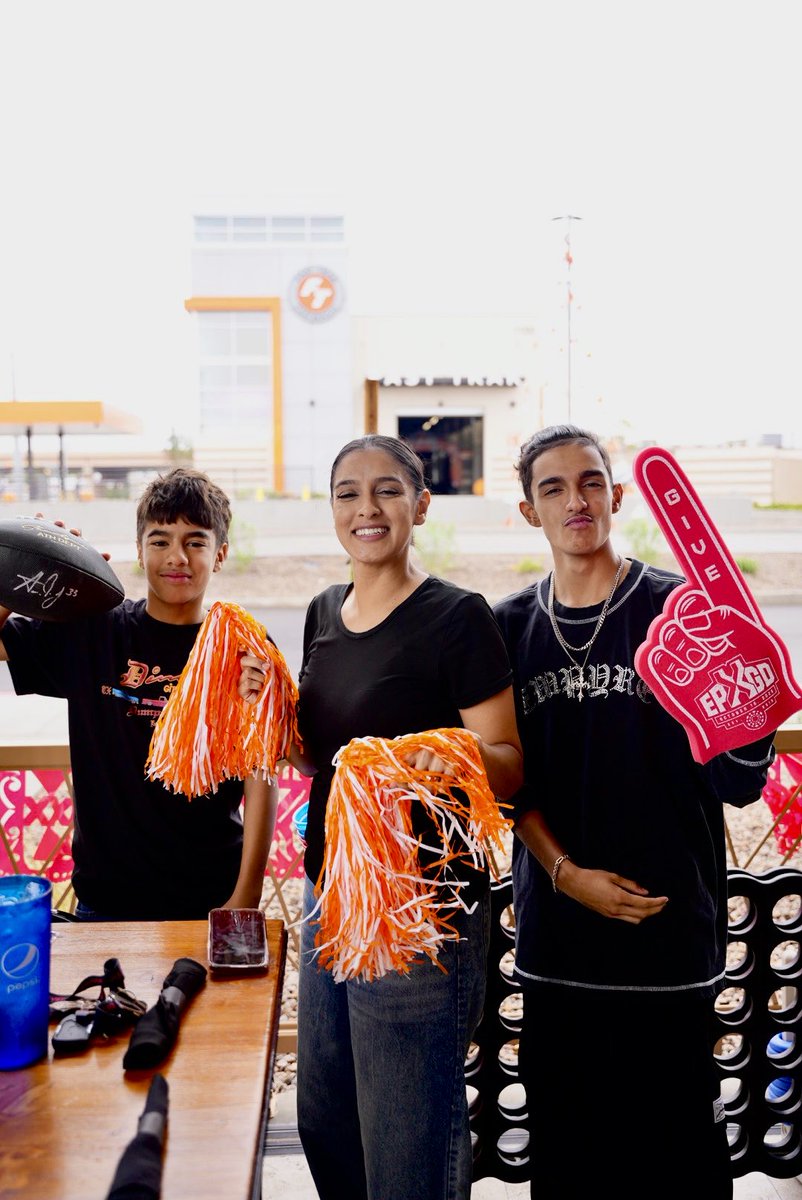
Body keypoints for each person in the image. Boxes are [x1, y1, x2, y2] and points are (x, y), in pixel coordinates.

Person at [493, 424, 777, 1199]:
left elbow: (742, 781)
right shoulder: (509, 629)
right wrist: (565, 874)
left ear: (617, 497)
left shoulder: (681, 613)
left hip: (669, 933)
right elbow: (503, 785)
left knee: (678, 1151)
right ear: (528, 512)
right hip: (559, 938)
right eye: (551, 487)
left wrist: (753, 687)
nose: (574, 500)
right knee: (568, 1153)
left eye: (589, 482)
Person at [240, 434, 522, 1200]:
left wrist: (453, 754)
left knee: (408, 1152)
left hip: (419, 911)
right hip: (331, 896)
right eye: (347, 493)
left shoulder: (457, 617)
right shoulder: (322, 610)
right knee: (325, 1120)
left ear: (421, 505)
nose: (367, 508)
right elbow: (316, 757)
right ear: (331, 510)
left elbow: (509, 762)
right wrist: (267, 704)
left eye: (388, 490)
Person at [0, 467, 277, 920]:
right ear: (139, 550)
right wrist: (22, 573)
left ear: (221, 554)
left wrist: (244, 898)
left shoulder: (240, 647)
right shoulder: (91, 631)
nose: (177, 557)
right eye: (160, 540)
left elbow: (262, 774)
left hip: (208, 897)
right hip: (105, 899)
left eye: (195, 541)